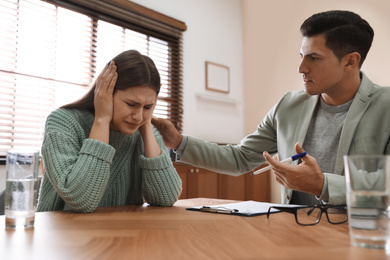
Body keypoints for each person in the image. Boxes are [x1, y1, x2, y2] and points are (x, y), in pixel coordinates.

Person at [152, 10, 390, 206]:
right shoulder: (288, 105)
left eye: (314, 58)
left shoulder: (386, 105)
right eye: (301, 56)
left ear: (350, 61)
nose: (301, 68)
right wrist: (178, 142)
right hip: (291, 232)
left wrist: (322, 185)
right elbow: (240, 158)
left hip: (362, 236)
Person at [37, 50, 182, 212]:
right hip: (61, 233)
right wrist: (102, 119)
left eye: (148, 106)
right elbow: (80, 200)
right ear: (105, 93)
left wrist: (147, 126)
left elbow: (166, 198)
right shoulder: (63, 122)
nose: (138, 116)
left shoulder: (144, 129)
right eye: (131, 104)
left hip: (123, 233)